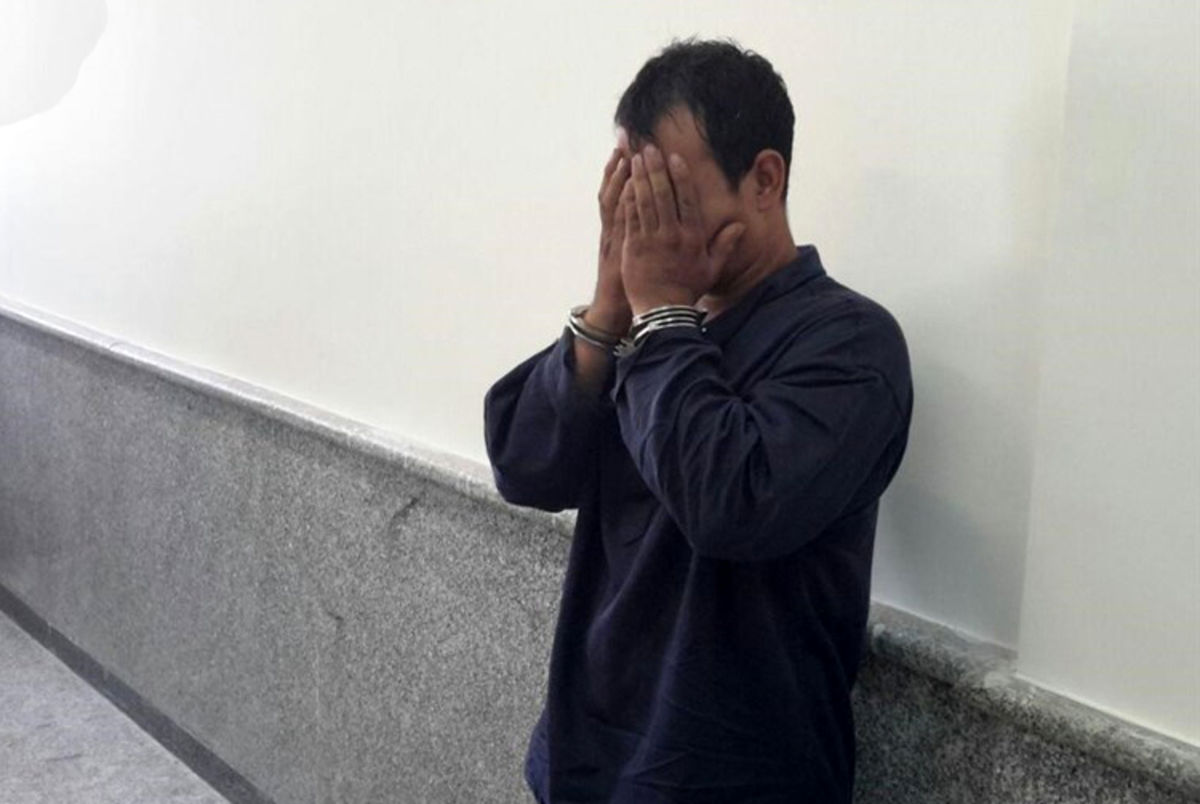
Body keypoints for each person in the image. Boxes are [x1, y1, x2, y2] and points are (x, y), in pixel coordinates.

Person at [483, 36, 913, 803]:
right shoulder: (650, 327)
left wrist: (659, 312)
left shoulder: (850, 343)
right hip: (586, 760)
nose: (650, 224)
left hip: (732, 778)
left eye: (671, 196)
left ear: (765, 179)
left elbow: (729, 506)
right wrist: (608, 309)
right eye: (633, 194)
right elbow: (523, 468)